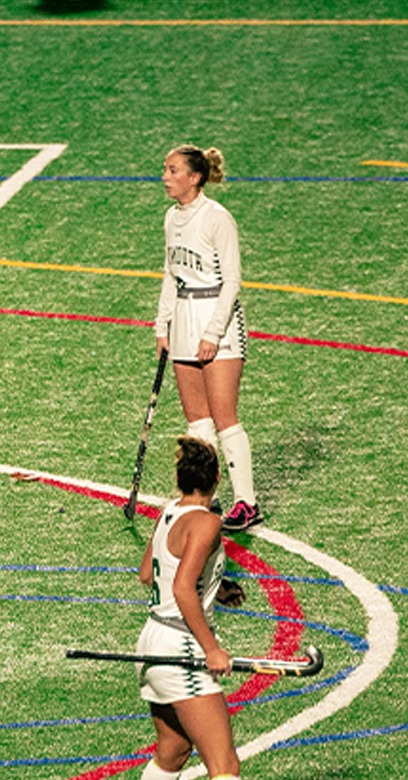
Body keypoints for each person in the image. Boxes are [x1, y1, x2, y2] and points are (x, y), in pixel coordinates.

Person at [112, 436, 297, 780]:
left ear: (180, 479)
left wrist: (219, 584)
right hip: (182, 648)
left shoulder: (169, 514)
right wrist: (212, 648)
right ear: (216, 479)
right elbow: (182, 587)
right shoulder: (209, 522)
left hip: (153, 640)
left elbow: (148, 574)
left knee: (173, 750)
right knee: (224, 762)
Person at [156, 144, 260, 530]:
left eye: (173, 170)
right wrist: (162, 325)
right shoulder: (171, 217)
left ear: (194, 177)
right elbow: (171, 274)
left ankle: (247, 503)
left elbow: (232, 281)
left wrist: (213, 333)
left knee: (224, 417)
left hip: (218, 318)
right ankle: (204, 497)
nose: (165, 177)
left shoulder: (218, 219)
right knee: (197, 420)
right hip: (184, 317)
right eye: (165, 170)